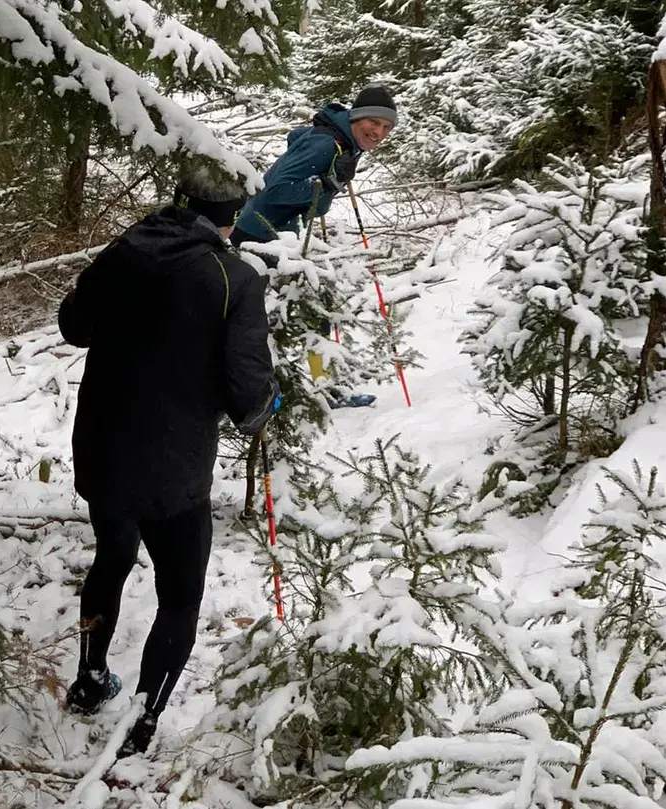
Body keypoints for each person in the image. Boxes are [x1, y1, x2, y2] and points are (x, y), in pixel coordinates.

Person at [57, 168, 280, 758]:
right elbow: (248, 398)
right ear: (233, 219)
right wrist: (265, 408)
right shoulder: (235, 279)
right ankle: (144, 720)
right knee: (179, 595)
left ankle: (89, 681)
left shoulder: (126, 249)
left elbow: (74, 327)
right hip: (173, 470)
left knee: (112, 556)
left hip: (102, 449)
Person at [229, 83, 397, 248]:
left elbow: (295, 136)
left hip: (278, 230)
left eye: (386, 127)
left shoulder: (347, 140)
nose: (379, 133)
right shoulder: (326, 143)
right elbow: (275, 191)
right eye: (373, 122)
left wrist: (300, 158)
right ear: (356, 118)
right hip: (258, 234)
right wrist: (327, 183)